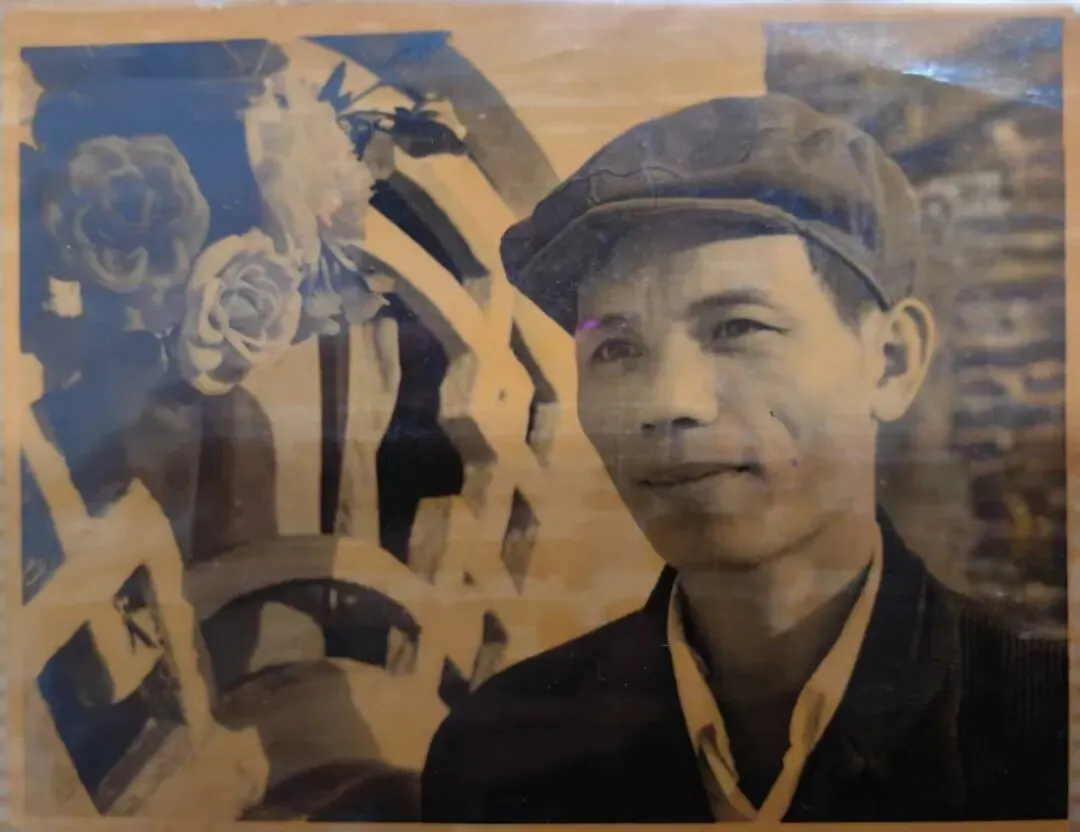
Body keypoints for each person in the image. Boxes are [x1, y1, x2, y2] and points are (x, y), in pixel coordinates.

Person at [418, 93, 1068, 823]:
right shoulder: (500, 756)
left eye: (737, 327)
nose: (669, 401)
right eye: (617, 349)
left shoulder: (1047, 731)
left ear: (890, 360)